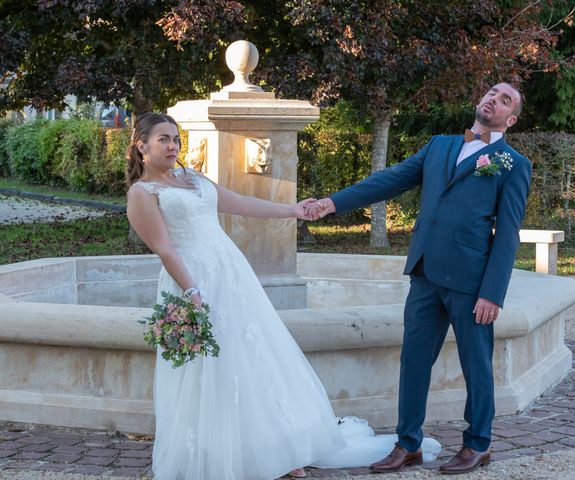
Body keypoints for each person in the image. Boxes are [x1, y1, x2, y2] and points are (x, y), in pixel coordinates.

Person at [125, 112, 440, 480]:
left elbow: (239, 202)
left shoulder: (191, 177)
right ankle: (218, 454)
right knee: (209, 368)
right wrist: (192, 291)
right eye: (163, 139)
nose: (172, 146)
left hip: (231, 274)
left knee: (256, 357)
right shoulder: (142, 194)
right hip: (190, 282)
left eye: (175, 139)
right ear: (141, 146)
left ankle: (279, 450)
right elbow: (164, 248)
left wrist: (292, 210)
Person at [306, 83, 532, 474]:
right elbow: (389, 180)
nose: (493, 98)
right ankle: (407, 442)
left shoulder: (512, 163)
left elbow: (508, 233)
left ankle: (477, 444)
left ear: (509, 120)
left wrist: (493, 293)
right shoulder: (439, 146)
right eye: (492, 92)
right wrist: (332, 203)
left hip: (471, 281)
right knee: (413, 361)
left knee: (476, 364)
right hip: (426, 273)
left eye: (505, 99)